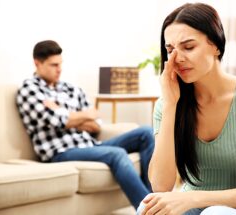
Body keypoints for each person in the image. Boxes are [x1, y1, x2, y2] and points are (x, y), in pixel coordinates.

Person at [137, 3, 236, 215]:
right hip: (194, 208)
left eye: (188, 47)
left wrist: (191, 197)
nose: (177, 59)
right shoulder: (168, 104)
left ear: (216, 45)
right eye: (170, 50)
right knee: (147, 206)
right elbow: (161, 186)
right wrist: (170, 106)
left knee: (215, 213)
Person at [16, 40, 154, 209]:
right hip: (60, 152)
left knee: (146, 133)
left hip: (90, 144)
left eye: (60, 64)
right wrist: (79, 117)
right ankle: (151, 212)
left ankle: (155, 200)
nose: (59, 69)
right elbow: (55, 121)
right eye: (53, 65)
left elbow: (95, 125)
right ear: (37, 63)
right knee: (116, 154)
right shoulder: (29, 89)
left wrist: (64, 114)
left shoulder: (71, 89)